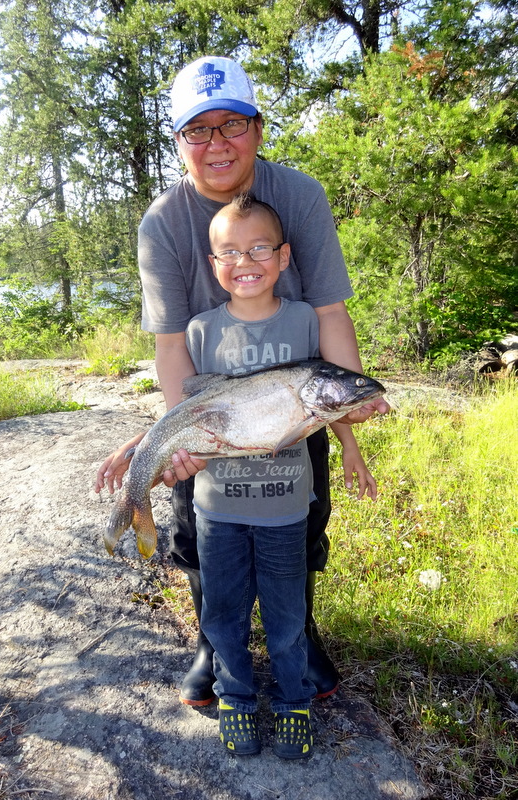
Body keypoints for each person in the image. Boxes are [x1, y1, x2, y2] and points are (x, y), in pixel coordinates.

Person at [95, 55, 389, 707]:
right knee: (200, 527)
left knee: (303, 515)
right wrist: (185, 436)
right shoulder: (162, 224)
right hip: (210, 395)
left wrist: (353, 403)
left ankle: (299, 634)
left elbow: (329, 312)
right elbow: (171, 345)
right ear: (178, 144)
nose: (216, 143)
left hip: (287, 388)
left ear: (258, 129)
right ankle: (212, 642)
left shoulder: (299, 196)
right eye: (197, 131)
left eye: (231, 125)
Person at [188, 192, 375, 758]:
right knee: (221, 614)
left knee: (288, 613)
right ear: (215, 264)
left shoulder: (302, 319)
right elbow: (186, 414)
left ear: (285, 256)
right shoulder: (199, 330)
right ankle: (237, 698)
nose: (246, 262)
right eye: (231, 253)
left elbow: (328, 396)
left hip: (286, 506)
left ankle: (294, 697)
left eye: (260, 248)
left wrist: (350, 446)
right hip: (217, 506)